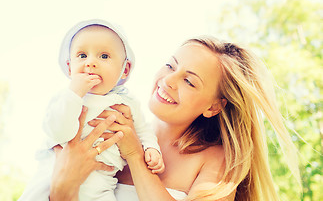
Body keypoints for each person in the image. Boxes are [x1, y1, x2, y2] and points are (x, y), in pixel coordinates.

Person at [49, 35, 301, 201]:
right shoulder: (106, 133)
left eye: (189, 81)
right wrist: (62, 188)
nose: (168, 81)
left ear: (214, 106)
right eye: (170, 66)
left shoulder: (216, 161)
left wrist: (136, 157)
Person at [19, 19, 164, 201]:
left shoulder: (127, 102)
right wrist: (75, 94)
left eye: (104, 56)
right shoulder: (66, 97)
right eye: (82, 55)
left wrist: (152, 148)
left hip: (102, 180)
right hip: (55, 171)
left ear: (124, 69)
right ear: (70, 67)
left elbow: (142, 130)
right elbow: (58, 132)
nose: (91, 63)